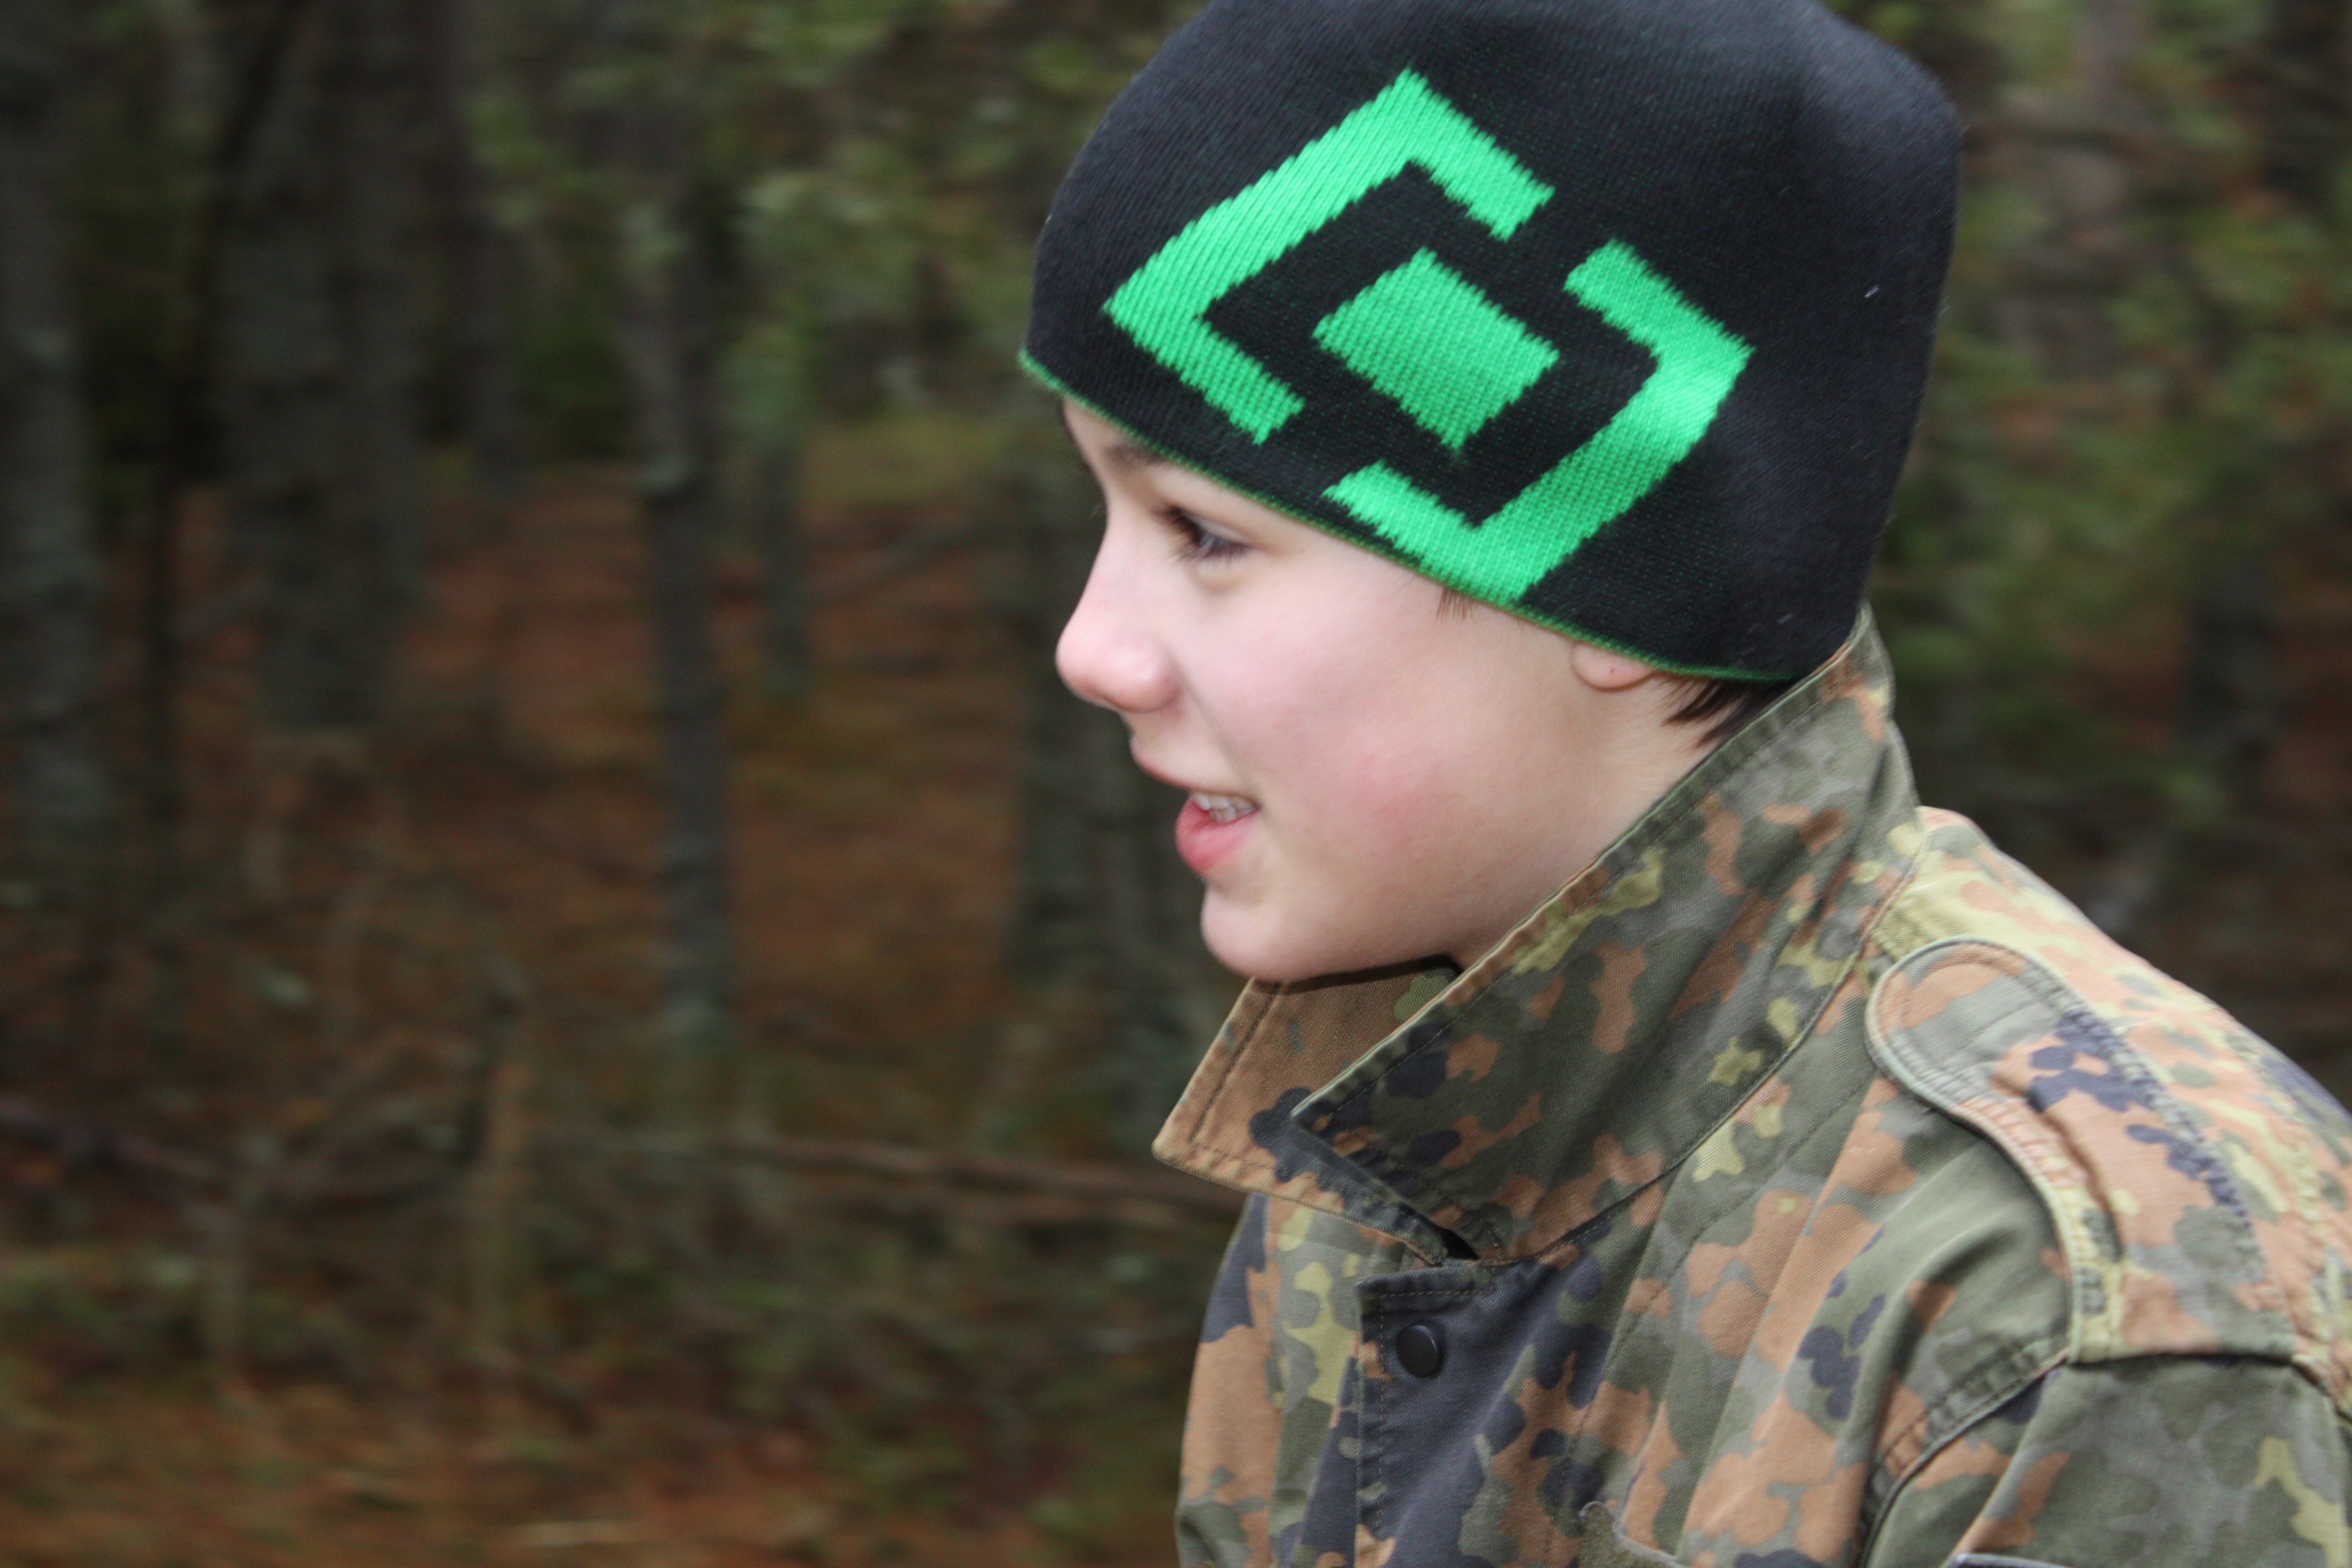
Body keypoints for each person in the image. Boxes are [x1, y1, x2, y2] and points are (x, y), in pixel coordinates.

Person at [1021, 0, 2352, 1564]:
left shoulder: (2077, 1319)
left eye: (1205, 534)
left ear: (1607, 586)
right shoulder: (1408, 1129)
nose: (1093, 649)